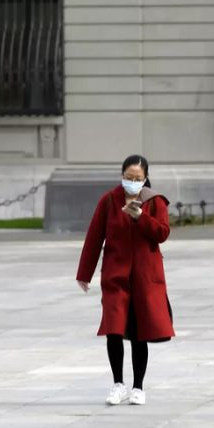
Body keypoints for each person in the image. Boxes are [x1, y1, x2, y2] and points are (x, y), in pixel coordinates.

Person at [76, 155, 174, 406]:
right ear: (121, 176)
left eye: (137, 178)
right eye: (128, 178)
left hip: (145, 277)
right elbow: (94, 237)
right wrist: (84, 274)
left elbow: (162, 233)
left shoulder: (155, 202)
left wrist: (140, 217)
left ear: (145, 178)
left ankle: (138, 387)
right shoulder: (109, 200)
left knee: (140, 333)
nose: (132, 182)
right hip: (115, 276)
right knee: (114, 329)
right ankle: (117, 384)